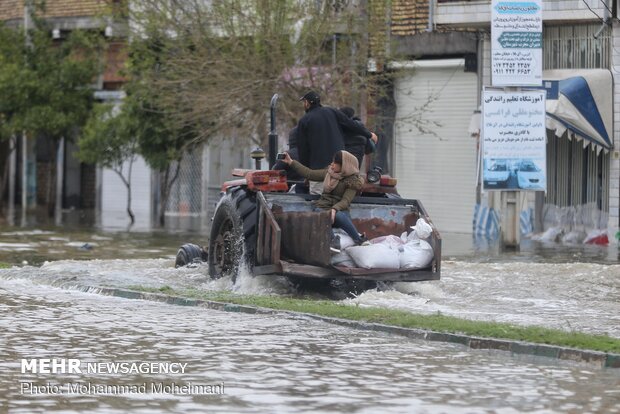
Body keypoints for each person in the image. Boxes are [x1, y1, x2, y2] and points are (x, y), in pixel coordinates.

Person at [282, 149, 370, 252]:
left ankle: (358, 239)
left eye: (335, 163)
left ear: (344, 165)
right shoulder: (329, 173)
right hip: (323, 210)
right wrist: (291, 162)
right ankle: (333, 240)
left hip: (340, 213)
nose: (332, 165)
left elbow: (346, 201)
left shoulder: (353, 181)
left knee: (338, 215)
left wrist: (334, 209)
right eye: (332, 162)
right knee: (320, 213)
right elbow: (309, 173)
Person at [296, 91, 377, 194]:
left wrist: (306, 173)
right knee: (338, 199)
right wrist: (369, 134)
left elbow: (303, 150)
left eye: (304, 102)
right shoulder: (332, 112)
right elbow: (351, 124)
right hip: (339, 167)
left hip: (318, 170)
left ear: (307, 103)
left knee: (319, 202)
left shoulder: (304, 121)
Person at [272, 126, 308, 193]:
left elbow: (275, 171)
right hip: (307, 189)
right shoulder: (311, 153)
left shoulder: (287, 155)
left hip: (290, 191)